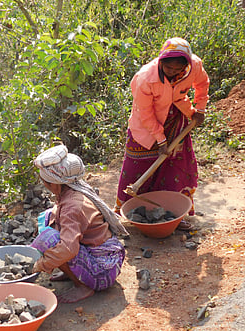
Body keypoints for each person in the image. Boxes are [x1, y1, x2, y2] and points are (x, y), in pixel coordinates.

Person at [114, 37, 210, 230]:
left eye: (178, 70)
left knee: (174, 165)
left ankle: (174, 213)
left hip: (176, 119)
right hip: (145, 125)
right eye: (169, 69)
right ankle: (122, 213)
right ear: (161, 62)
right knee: (136, 166)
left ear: (186, 65)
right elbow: (145, 113)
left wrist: (200, 109)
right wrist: (160, 139)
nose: (174, 73)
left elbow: (202, 84)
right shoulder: (145, 78)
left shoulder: (195, 66)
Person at [31, 145, 128, 303]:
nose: (45, 185)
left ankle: (83, 286)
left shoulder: (71, 207)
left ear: (55, 184)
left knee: (47, 239)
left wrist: (40, 264)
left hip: (103, 270)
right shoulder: (75, 187)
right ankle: (71, 272)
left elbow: (69, 248)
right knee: (49, 215)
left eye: (46, 182)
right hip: (108, 258)